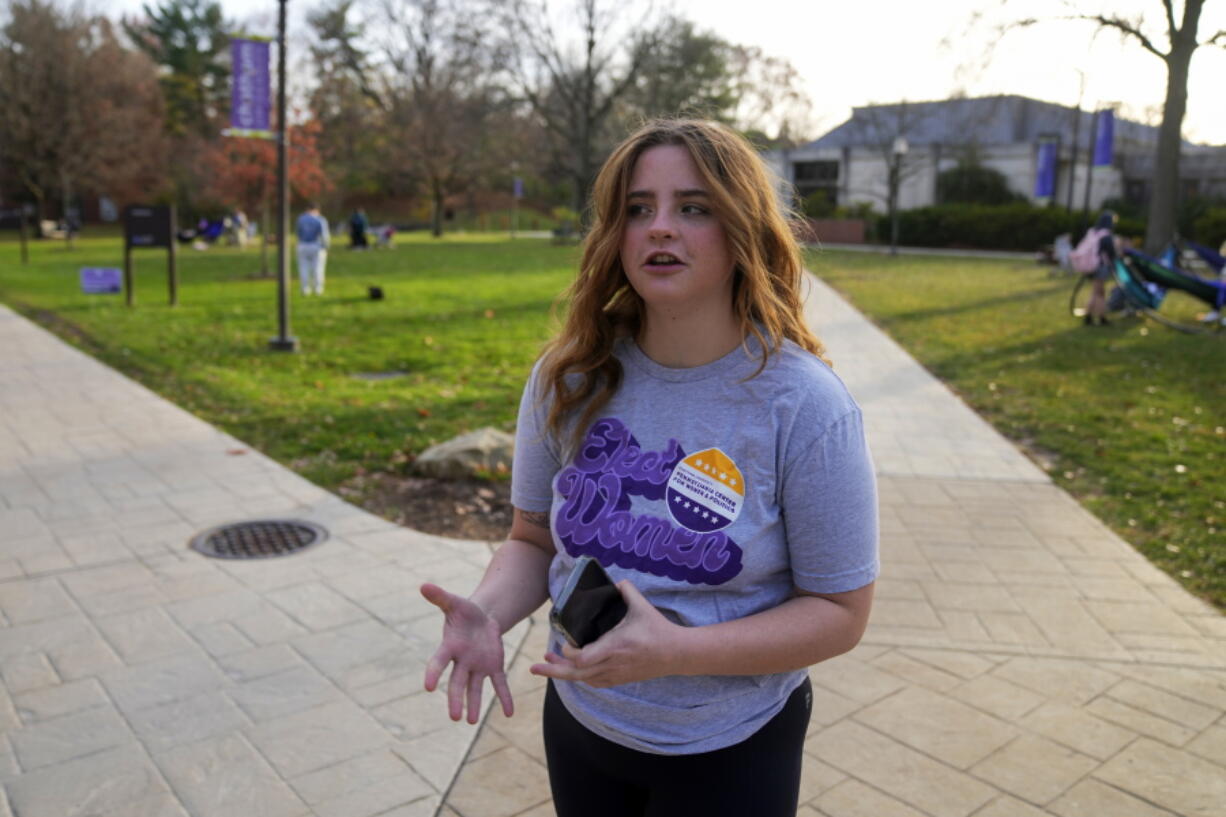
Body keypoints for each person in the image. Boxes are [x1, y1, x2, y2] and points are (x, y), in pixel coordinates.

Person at [420, 119, 878, 817]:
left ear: (741, 228)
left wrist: (676, 651)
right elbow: (533, 538)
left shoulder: (807, 404)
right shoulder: (567, 376)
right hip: (584, 723)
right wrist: (487, 612)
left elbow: (841, 613)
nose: (659, 227)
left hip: (732, 746)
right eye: (639, 209)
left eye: (692, 207)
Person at [1074, 210, 1119, 326]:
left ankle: (1092, 316)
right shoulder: (1106, 236)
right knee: (1098, 293)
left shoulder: (1093, 232)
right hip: (1100, 266)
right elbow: (1112, 254)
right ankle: (1099, 317)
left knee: (1098, 292)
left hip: (1091, 266)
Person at [295, 203, 330, 295]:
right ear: (317, 210)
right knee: (318, 268)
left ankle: (305, 288)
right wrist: (326, 246)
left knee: (303, 268)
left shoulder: (301, 219)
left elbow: (298, 232)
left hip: (302, 245)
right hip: (316, 245)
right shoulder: (320, 219)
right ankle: (318, 288)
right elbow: (324, 235)